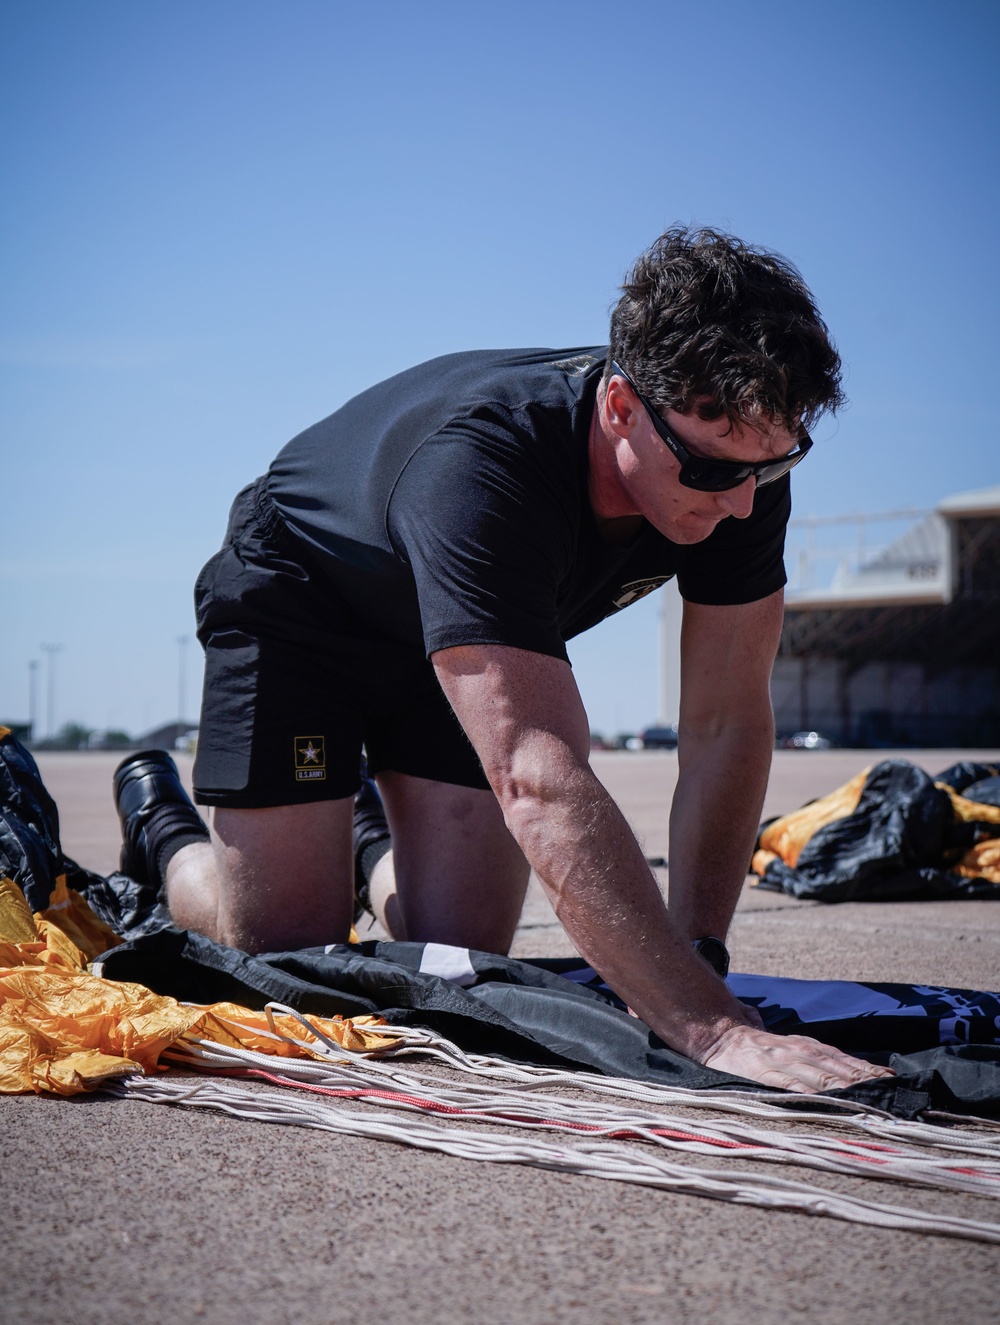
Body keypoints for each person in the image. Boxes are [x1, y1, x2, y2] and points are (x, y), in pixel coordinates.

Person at [115, 227, 892, 1094]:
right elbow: (537, 774)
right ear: (623, 409)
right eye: (715, 472)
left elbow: (725, 720)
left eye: (775, 463)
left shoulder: (738, 467)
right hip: (302, 599)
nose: (745, 504)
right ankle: (167, 834)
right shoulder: (483, 466)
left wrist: (695, 957)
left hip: (456, 645)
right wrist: (704, 1027)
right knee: (291, 961)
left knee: (463, 956)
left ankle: (359, 831)